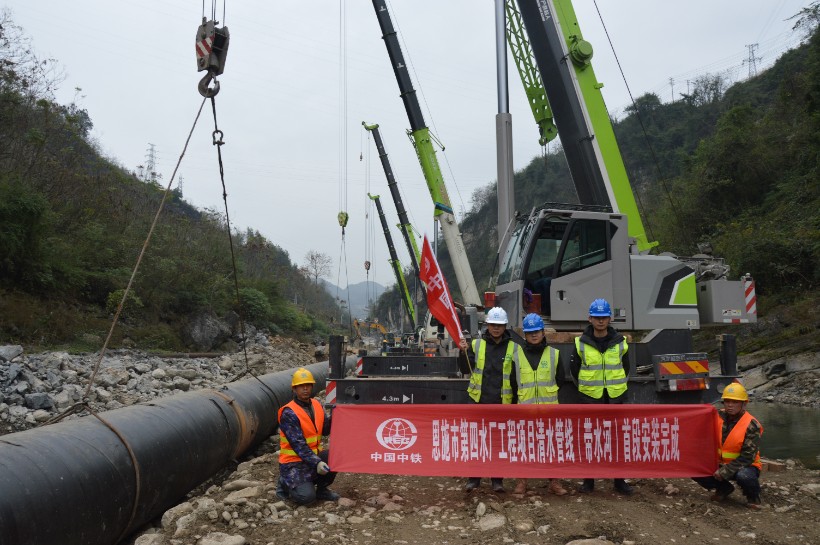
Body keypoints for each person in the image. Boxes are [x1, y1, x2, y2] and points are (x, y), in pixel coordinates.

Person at [573, 298, 634, 496]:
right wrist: (588, 390)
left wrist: (615, 388)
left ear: (610, 319)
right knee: (590, 440)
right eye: (597, 317)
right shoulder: (580, 343)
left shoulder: (620, 343)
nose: (600, 321)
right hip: (590, 398)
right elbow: (574, 371)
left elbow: (626, 368)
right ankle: (589, 481)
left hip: (615, 397)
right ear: (589, 319)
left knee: (617, 440)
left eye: (604, 317)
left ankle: (619, 480)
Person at [458, 306, 518, 493]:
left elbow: (517, 378)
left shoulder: (514, 348)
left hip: (502, 403)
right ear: (487, 325)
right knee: (476, 441)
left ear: (505, 326)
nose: (496, 328)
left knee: (498, 443)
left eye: (499, 325)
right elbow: (465, 369)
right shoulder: (476, 345)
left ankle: (497, 480)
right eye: (493, 324)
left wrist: (515, 403)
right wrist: (462, 352)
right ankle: (474, 479)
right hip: (478, 401)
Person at [512, 313, 568, 497]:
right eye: (530, 332)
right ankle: (522, 481)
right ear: (525, 335)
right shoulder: (517, 356)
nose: (534, 335)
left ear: (543, 332)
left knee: (552, 445)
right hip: (525, 409)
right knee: (524, 446)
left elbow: (560, 379)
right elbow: (513, 382)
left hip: (549, 409)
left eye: (537, 331)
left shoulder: (554, 354)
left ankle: (554, 481)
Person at [693, 382, 764, 508]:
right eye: (727, 401)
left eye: (735, 402)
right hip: (720, 463)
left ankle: (753, 496)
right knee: (694, 468)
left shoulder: (752, 425)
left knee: (744, 476)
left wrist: (725, 471)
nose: (730, 405)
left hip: (746, 466)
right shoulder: (717, 415)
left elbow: (747, 457)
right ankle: (724, 488)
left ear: (744, 404)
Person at [276, 367, 340, 504]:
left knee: (334, 456)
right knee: (307, 498)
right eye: (301, 386)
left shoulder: (316, 405)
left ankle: (322, 490)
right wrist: (317, 462)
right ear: (294, 389)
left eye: (308, 385)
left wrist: (336, 414)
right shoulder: (289, 413)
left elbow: (324, 430)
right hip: (293, 463)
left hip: (311, 458)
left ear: (312, 386)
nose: (305, 388)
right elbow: (298, 445)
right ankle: (285, 482)